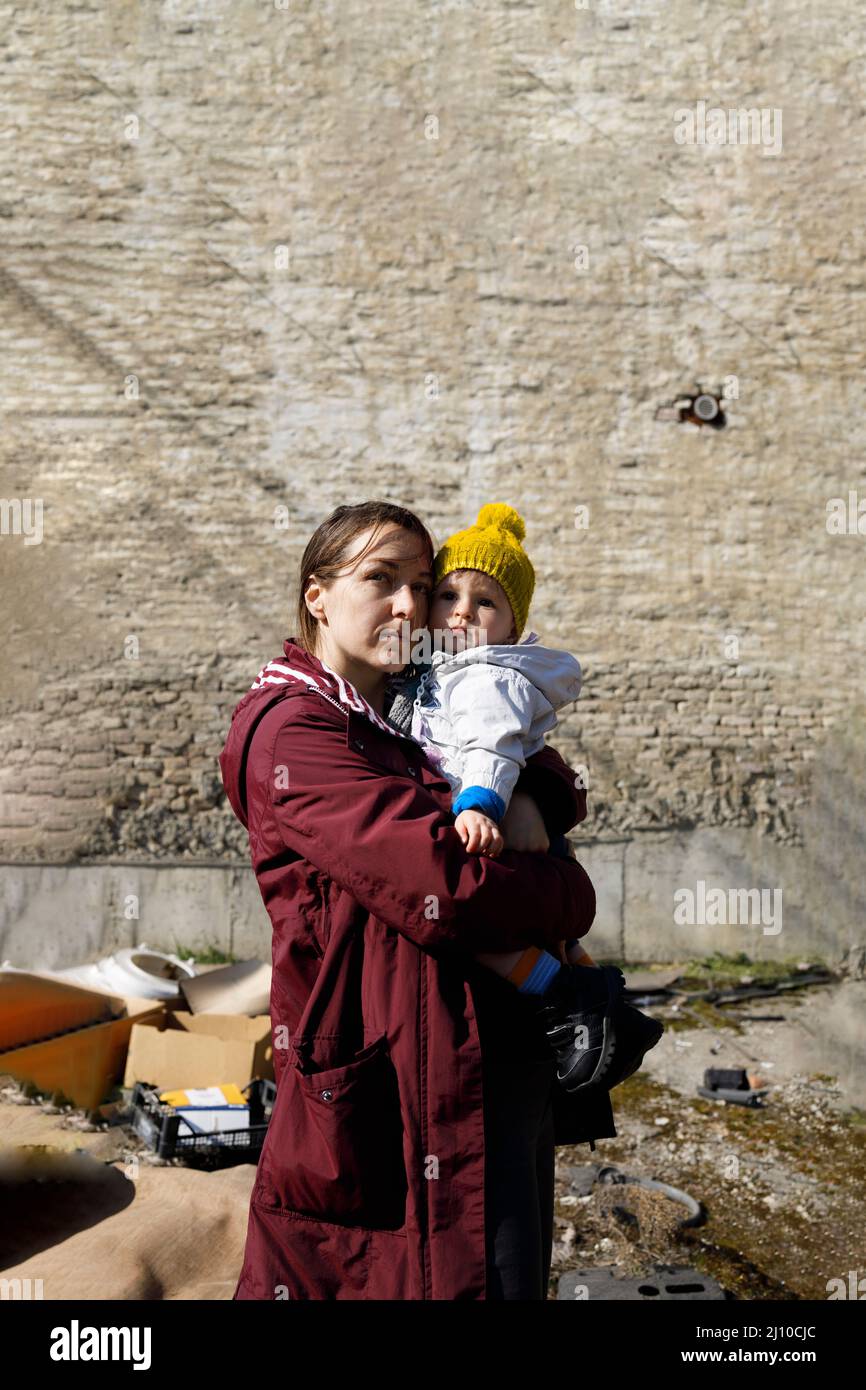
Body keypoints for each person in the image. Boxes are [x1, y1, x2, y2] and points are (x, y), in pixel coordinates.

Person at [219, 500, 617, 1301]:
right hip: (386, 1098)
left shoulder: (411, 708)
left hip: (480, 1077)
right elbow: (451, 885)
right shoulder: (296, 732)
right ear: (317, 595)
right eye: (380, 580)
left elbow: (526, 754)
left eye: (421, 585)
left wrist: (538, 793)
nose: (409, 606)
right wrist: (571, 893)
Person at [385, 502, 663, 1096]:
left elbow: (493, 742)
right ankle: (605, 1004)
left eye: (484, 603)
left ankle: (567, 1001)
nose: (461, 613)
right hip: (497, 825)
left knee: (483, 937)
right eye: (449, 596)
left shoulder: (486, 676)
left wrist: (483, 803)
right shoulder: (434, 669)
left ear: (512, 625)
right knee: (552, 937)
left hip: (484, 821)